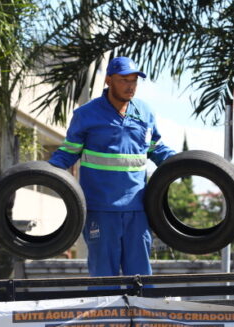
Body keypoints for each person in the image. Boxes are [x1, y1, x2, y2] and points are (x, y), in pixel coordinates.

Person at [49, 56, 176, 277]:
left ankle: (140, 313)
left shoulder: (145, 113)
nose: (130, 86)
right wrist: (42, 173)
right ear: (108, 80)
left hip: (137, 209)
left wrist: (186, 163)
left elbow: (157, 150)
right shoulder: (86, 115)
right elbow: (67, 154)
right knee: (103, 278)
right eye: (123, 80)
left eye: (134, 80)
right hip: (100, 209)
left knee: (140, 280)